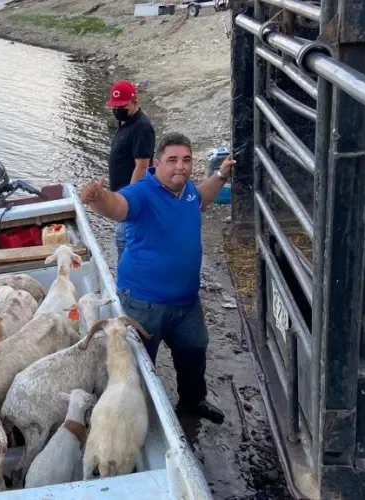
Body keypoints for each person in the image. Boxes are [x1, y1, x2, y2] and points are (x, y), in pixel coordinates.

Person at [79, 132, 235, 424]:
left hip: (186, 302)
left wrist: (221, 176)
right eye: (172, 160)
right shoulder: (142, 192)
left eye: (186, 160)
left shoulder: (187, 190)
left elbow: (201, 198)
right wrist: (97, 198)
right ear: (157, 163)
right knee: (138, 365)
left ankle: (192, 402)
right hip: (144, 304)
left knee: (194, 351)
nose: (181, 167)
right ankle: (137, 416)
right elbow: (118, 206)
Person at [104, 80, 156, 264]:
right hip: (120, 193)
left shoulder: (141, 127)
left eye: (122, 106)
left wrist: (130, 199)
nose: (117, 110)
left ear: (134, 102)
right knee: (122, 240)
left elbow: (141, 166)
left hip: (130, 197)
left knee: (124, 240)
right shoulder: (125, 123)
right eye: (114, 107)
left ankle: (126, 281)